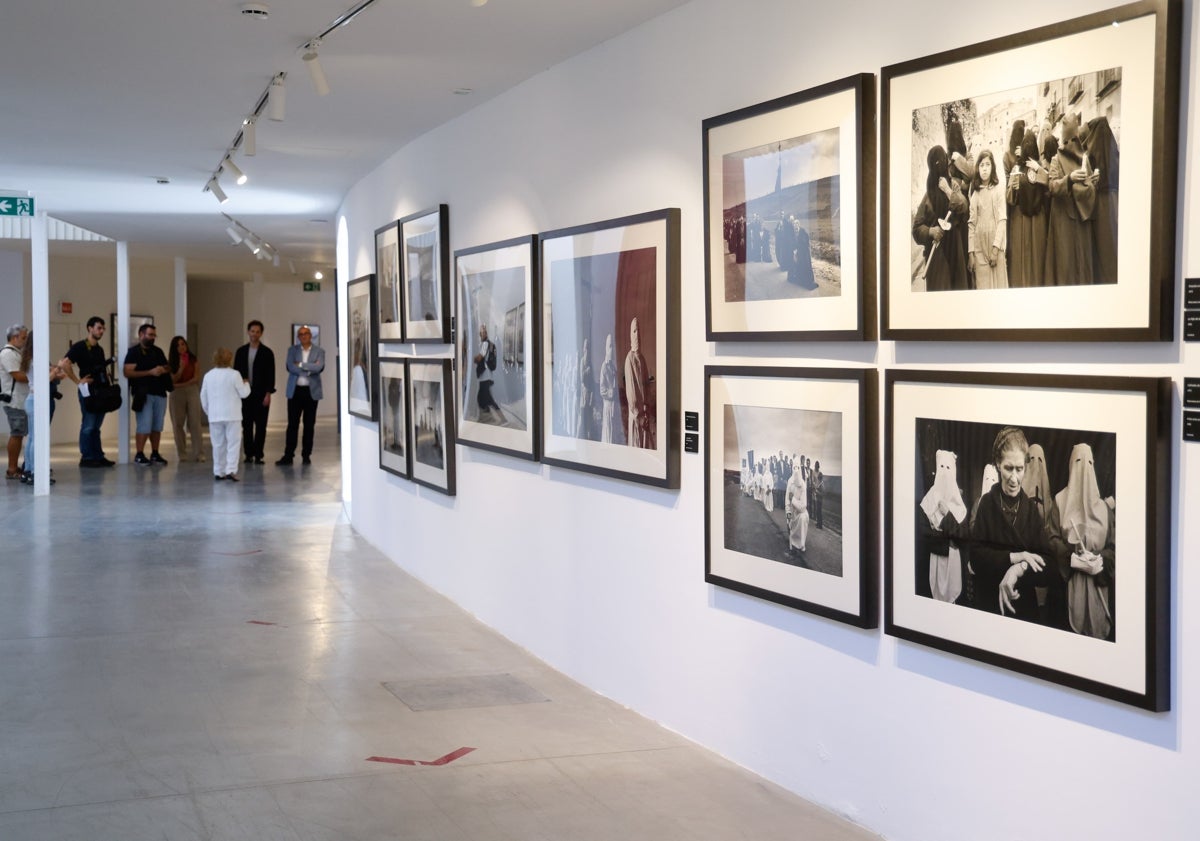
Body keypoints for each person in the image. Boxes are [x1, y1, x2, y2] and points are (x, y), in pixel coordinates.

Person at [969, 426, 1060, 620]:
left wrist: (1018, 569)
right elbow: (975, 558)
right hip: (989, 605)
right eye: (1008, 468)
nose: (1014, 478)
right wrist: (1015, 556)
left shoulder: (1031, 511)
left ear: (1025, 467)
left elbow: (1050, 566)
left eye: (1019, 469)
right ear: (997, 465)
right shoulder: (986, 504)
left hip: (1024, 609)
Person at [1048, 443, 1115, 639]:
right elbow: (1052, 538)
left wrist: (1100, 560)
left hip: (1098, 586)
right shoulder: (1060, 501)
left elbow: (1114, 546)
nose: (1084, 468)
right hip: (1068, 585)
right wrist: (1072, 559)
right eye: (1078, 461)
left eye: (1089, 462)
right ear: (1071, 465)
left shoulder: (1104, 508)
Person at [1045, 113, 1098, 286]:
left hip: (1081, 222)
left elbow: (1089, 187)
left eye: (1074, 141)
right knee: (1065, 266)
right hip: (1063, 222)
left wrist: (1092, 181)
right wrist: (1069, 179)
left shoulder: (1085, 159)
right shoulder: (1056, 159)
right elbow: (1052, 186)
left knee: (1080, 266)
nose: (1071, 145)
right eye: (1068, 141)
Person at [912, 145, 970, 292]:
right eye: (936, 163)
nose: (941, 166)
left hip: (956, 252)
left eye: (942, 160)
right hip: (937, 256)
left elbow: (964, 206)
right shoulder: (928, 196)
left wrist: (947, 190)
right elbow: (917, 228)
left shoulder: (953, 186)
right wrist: (931, 231)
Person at [917, 449, 968, 603]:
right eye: (941, 467)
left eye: (948, 468)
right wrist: (949, 541)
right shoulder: (928, 502)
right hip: (932, 564)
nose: (945, 473)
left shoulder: (960, 505)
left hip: (955, 567)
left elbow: (963, 537)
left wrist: (947, 515)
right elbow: (924, 536)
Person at [63, 316, 114, 467]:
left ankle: (97, 455)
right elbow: (65, 363)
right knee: (89, 424)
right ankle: (86, 457)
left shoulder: (99, 349)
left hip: (101, 390)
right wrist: (78, 382)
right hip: (88, 390)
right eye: (99, 328)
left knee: (96, 426)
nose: (102, 331)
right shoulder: (79, 346)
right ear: (90, 328)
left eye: (103, 328)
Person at [19, 332, 68, 485]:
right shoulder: (35, 360)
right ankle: (35, 472)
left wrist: (55, 371)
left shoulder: (29, 359)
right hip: (36, 400)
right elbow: (43, 381)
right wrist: (57, 368)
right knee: (37, 439)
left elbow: (48, 374)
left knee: (32, 438)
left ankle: (28, 470)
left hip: (31, 399)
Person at [123, 323, 172, 465]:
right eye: (150, 335)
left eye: (154, 335)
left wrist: (163, 370)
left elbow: (168, 366)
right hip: (143, 393)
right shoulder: (134, 352)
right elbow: (127, 372)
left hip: (160, 392)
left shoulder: (158, 351)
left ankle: (155, 453)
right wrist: (149, 372)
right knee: (144, 424)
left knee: (157, 425)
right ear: (141, 334)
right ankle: (139, 453)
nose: (152, 338)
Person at [1006, 130, 1049, 288]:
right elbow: (1009, 198)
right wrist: (1014, 188)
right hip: (1020, 219)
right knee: (1021, 258)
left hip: (1037, 219)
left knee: (1037, 257)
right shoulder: (1016, 168)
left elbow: (1050, 186)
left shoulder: (1041, 167)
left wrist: (1038, 169)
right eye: (1027, 144)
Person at [201, 347, 251, 482]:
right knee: (233, 443)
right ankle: (231, 470)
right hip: (232, 415)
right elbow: (244, 393)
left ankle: (218, 471)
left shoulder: (208, 375)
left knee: (217, 444)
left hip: (215, 415)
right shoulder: (235, 374)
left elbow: (203, 397)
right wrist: (247, 384)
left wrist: (209, 411)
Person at [277, 325, 325, 465]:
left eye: (306, 333)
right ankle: (288, 455)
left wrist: (301, 365)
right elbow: (290, 367)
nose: (304, 336)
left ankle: (306, 455)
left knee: (309, 425)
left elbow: (319, 367)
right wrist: (309, 367)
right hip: (295, 391)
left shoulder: (319, 351)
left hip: (311, 392)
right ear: (298, 337)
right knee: (292, 424)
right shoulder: (292, 350)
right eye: (301, 334)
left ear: (310, 335)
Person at [233, 320, 275, 465]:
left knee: (261, 425)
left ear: (261, 333)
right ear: (248, 332)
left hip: (261, 393)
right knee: (247, 425)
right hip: (245, 394)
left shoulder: (267, 352)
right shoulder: (241, 351)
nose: (254, 334)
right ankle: (248, 453)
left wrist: (268, 393)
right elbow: (236, 372)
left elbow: (271, 374)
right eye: (252, 331)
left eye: (257, 332)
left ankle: (259, 454)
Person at [967, 149, 1009, 290]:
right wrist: (971, 253)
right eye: (981, 165)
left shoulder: (998, 190)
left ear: (993, 167)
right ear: (977, 168)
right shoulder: (975, 194)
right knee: (983, 287)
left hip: (995, 246)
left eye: (987, 165)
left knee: (999, 286)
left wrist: (996, 249)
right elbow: (971, 225)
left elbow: (1002, 220)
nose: (984, 169)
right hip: (979, 248)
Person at [168, 336, 204, 462]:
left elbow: (196, 378)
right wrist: (181, 368)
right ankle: (182, 453)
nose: (181, 347)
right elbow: (172, 380)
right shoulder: (171, 362)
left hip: (192, 391)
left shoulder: (193, 359)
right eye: (178, 345)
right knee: (178, 424)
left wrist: (180, 385)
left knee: (195, 422)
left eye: (183, 344)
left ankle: (199, 453)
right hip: (176, 394)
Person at [1, 324, 30, 480]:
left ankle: (14, 467)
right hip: (14, 401)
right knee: (17, 434)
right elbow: (18, 376)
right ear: (14, 337)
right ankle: (12, 469)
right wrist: (37, 377)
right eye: (24, 338)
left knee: (19, 434)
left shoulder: (17, 353)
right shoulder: (7, 354)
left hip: (21, 400)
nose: (26, 341)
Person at [624, 317, 651, 449]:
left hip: (644, 416)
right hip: (636, 417)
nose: (637, 335)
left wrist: (646, 407)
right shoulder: (629, 360)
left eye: (638, 331)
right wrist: (639, 416)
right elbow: (631, 392)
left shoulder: (643, 359)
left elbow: (646, 385)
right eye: (634, 331)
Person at [472, 324, 505, 424]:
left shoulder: (485, 344)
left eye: (483, 332)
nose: (482, 334)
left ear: (485, 333)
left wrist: (471, 358)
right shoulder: (485, 343)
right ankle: (486, 418)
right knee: (482, 399)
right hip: (485, 376)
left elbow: (480, 357)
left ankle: (501, 418)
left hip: (485, 376)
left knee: (487, 399)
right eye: (481, 332)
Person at [598, 333, 621, 444]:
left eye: (613, 346)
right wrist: (610, 392)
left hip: (614, 407)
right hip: (607, 406)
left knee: (614, 433)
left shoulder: (613, 367)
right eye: (610, 346)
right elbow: (602, 389)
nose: (612, 349)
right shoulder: (604, 367)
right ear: (607, 348)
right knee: (608, 432)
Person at [785, 460, 809, 557]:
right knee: (790, 526)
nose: (796, 470)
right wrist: (788, 514)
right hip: (792, 512)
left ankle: (801, 544)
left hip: (800, 513)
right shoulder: (790, 482)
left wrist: (793, 499)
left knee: (803, 517)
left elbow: (803, 506)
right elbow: (787, 499)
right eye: (794, 467)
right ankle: (793, 545)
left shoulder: (803, 485)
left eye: (797, 467)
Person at [577, 337, 596, 440]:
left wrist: (592, 395)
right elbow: (582, 379)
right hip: (584, 395)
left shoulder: (590, 362)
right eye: (586, 347)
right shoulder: (582, 362)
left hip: (589, 395)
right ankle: (579, 437)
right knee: (582, 419)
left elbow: (592, 381)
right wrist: (586, 371)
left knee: (589, 420)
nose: (587, 350)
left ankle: (589, 438)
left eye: (588, 347)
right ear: (584, 349)